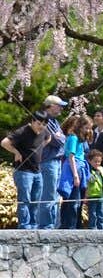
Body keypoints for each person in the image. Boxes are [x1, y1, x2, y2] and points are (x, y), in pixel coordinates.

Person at [2, 111, 48, 229]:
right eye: (39, 123)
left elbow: (49, 138)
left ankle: (33, 224)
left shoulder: (43, 131)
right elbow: (4, 143)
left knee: (36, 200)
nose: (41, 126)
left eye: (44, 124)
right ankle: (24, 226)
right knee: (25, 199)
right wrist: (16, 152)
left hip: (37, 172)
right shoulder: (22, 131)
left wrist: (40, 147)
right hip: (23, 171)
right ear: (32, 121)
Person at [36, 94, 67, 229]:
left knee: (54, 194)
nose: (61, 108)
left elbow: (62, 139)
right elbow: (57, 141)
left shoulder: (55, 122)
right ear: (52, 106)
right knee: (48, 194)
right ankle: (46, 226)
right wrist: (59, 137)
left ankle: (52, 225)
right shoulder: (45, 120)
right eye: (59, 106)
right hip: (48, 162)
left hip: (56, 162)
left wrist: (60, 137)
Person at [58, 113, 91, 229]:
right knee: (73, 201)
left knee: (77, 201)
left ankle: (75, 226)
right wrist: (76, 176)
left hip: (80, 167)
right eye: (86, 128)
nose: (88, 130)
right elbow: (71, 157)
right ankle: (69, 227)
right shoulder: (73, 137)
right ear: (80, 126)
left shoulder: (81, 140)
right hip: (73, 169)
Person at [83, 148, 103, 230]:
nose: (97, 163)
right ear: (90, 161)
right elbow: (90, 181)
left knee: (101, 214)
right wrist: (96, 174)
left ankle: (101, 228)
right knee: (92, 214)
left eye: (99, 161)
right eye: (95, 161)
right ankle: (92, 228)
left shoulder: (102, 170)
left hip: (101, 195)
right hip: (92, 196)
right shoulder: (88, 171)